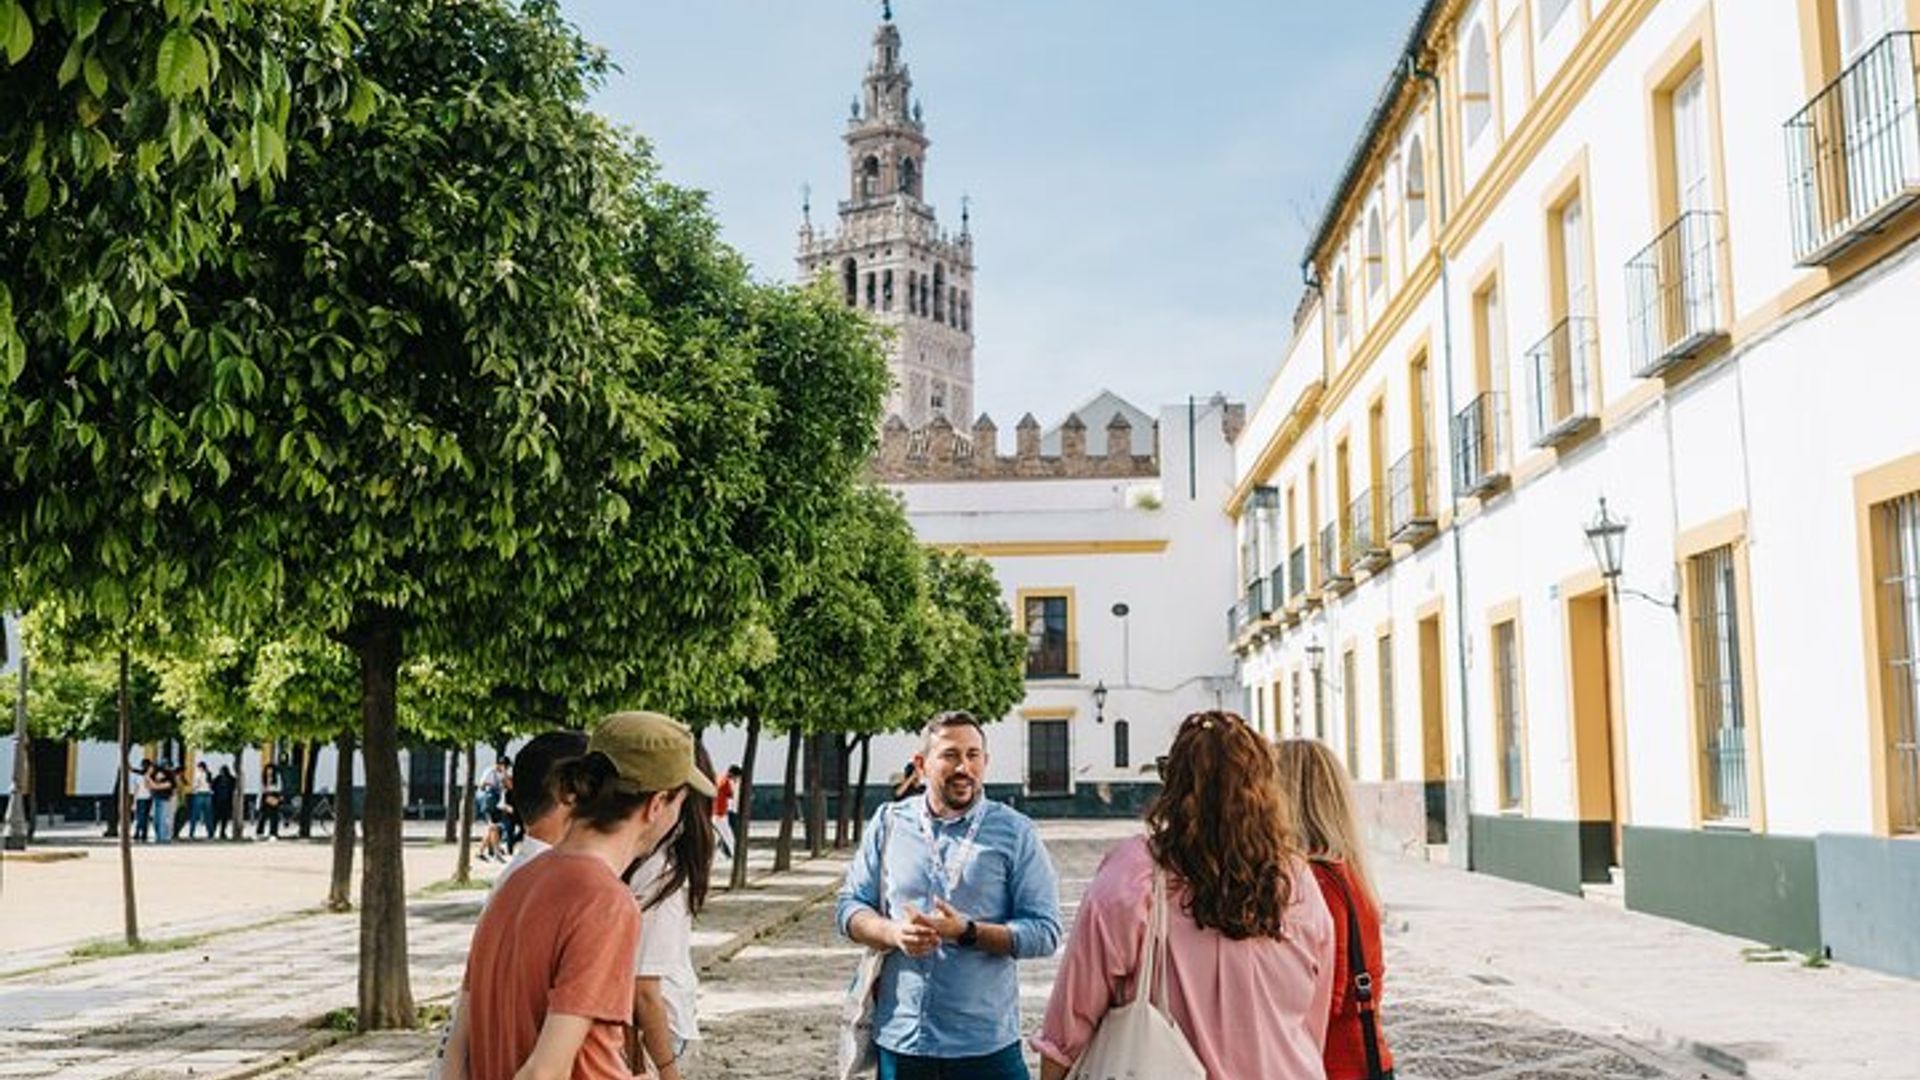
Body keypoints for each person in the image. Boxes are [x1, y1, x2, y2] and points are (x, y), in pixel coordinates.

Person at [1034, 710, 1335, 1079]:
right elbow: (1312, 1020)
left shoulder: (1135, 874)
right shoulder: (1297, 881)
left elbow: (1072, 1014)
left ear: (1174, 784)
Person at [442, 711, 714, 1080]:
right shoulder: (605, 903)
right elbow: (544, 1072)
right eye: (681, 804)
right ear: (657, 805)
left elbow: (457, 1055)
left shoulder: (515, 883)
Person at [838, 710, 1064, 1080]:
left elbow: (1045, 932)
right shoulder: (889, 823)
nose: (964, 767)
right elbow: (849, 908)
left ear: (985, 762)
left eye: (973, 755)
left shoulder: (1016, 832)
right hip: (902, 1042)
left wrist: (967, 931)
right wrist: (893, 933)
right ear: (921, 764)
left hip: (985, 1046)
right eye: (950, 755)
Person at [1277, 738, 1397, 1080]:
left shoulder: (1315, 882)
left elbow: (1321, 999)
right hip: (1360, 1061)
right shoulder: (1344, 871)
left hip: (1336, 1067)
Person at [627, 744, 718, 1080]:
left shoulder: (643, 862)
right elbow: (645, 990)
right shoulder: (661, 872)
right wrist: (668, 1071)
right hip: (657, 1036)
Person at [711, 764, 738, 861]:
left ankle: (714, 855)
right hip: (721, 812)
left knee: (716, 835)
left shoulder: (718, 778)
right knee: (728, 835)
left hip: (715, 811)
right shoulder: (727, 782)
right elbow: (730, 794)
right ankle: (734, 854)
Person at [148, 760, 176, 844]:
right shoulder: (155, 775)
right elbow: (150, 785)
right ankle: (159, 836)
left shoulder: (170, 777)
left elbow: (156, 786)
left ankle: (162, 838)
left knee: (162, 819)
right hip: (156, 799)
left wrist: (152, 783)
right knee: (156, 820)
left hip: (165, 799)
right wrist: (149, 774)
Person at [186, 762, 215, 840]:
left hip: (199, 794)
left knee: (195, 815)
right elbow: (211, 785)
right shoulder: (209, 774)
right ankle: (210, 834)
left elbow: (196, 785)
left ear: (200, 767)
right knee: (208, 816)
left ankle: (191, 834)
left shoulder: (198, 774)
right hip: (208, 795)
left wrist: (192, 789)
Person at [256, 763, 283, 840]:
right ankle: (260, 832)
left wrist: (277, 797)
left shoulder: (277, 777)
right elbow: (261, 789)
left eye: (271, 771)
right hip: (265, 795)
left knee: (274, 816)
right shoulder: (263, 778)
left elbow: (279, 788)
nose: (269, 773)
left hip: (274, 795)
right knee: (263, 815)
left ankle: (273, 833)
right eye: (268, 771)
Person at [210, 764, 237, 840]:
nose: (222, 773)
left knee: (223, 819)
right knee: (217, 819)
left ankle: (221, 833)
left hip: (225, 802)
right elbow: (212, 786)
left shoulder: (230, 779)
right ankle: (214, 832)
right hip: (219, 802)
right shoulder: (218, 779)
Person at [131, 757, 154, 842]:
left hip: (140, 798)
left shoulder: (138, 776)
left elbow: (135, 789)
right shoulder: (148, 776)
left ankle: (138, 833)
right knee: (145, 817)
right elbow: (150, 787)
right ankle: (143, 834)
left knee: (140, 817)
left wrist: (134, 801)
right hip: (147, 798)